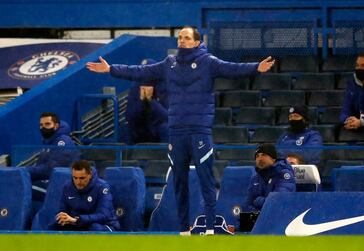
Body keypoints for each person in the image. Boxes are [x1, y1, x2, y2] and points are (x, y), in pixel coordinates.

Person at [86, 26, 275, 235]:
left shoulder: (208, 62)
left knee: (206, 182)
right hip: (176, 131)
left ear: (196, 42)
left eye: (186, 38)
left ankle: (210, 229)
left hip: (199, 130)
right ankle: (184, 230)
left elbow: (232, 68)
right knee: (179, 183)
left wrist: (256, 67)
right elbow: (139, 72)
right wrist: (110, 69)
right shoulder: (169, 64)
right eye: (180, 38)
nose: (182, 41)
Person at [49, 160, 120, 231]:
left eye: (82, 178)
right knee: (55, 227)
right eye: (75, 178)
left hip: (104, 225)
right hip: (78, 223)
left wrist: (78, 220)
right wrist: (63, 217)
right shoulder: (67, 187)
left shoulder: (102, 187)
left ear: (90, 175)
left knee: (94, 227)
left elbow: (104, 215)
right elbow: (63, 210)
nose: (78, 182)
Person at [123, 58, 168, 145]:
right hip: (141, 128)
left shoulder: (165, 87)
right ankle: (127, 157)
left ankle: (168, 157)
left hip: (158, 127)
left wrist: (151, 101)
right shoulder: (135, 88)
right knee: (126, 128)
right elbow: (129, 117)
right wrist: (142, 101)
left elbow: (167, 116)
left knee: (166, 127)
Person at [26, 112, 79, 181]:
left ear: (56, 126)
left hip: (62, 183)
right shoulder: (48, 142)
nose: (43, 127)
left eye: (47, 124)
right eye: (41, 125)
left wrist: (27, 170)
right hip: (48, 181)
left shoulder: (63, 141)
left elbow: (53, 168)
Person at [244, 143, 296, 213]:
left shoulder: (284, 174)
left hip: (279, 217)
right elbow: (247, 205)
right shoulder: (255, 178)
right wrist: (256, 213)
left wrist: (258, 200)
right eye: (257, 156)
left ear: (273, 158)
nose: (260, 159)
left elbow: (278, 202)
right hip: (258, 217)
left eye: (264, 155)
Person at [340, 53, 364, 130]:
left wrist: (362, 122)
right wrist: (349, 121)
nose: (359, 68)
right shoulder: (351, 85)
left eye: (363, 66)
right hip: (357, 128)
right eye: (357, 65)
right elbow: (344, 112)